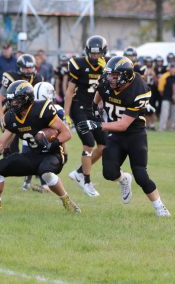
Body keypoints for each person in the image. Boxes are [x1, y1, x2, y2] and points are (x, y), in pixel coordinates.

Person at [76, 56, 171, 217]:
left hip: (135, 134)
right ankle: (124, 179)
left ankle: (159, 206)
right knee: (109, 173)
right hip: (115, 135)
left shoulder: (139, 89)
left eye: (115, 76)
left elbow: (124, 124)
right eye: (110, 75)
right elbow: (98, 94)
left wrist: (98, 125)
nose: (110, 78)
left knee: (141, 175)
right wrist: (95, 109)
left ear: (126, 75)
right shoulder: (106, 81)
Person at [0, 80, 80, 213]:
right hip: (33, 155)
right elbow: (1, 144)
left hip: (53, 154)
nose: (12, 104)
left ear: (26, 99)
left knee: (45, 172)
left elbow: (66, 133)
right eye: (11, 100)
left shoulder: (42, 109)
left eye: (15, 100)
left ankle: (66, 200)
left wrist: (53, 143)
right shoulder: (12, 117)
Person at [64, 35, 108, 197]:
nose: (96, 56)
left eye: (98, 53)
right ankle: (87, 182)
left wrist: (106, 71)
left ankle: (79, 173)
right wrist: (66, 115)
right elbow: (69, 91)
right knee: (89, 143)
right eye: (93, 53)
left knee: (104, 146)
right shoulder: (79, 64)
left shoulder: (107, 65)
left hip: (93, 109)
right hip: (79, 107)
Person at [0, 54, 43, 159]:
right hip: (11, 112)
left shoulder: (38, 78)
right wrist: (2, 117)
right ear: (20, 68)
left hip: (27, 114)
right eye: (26, 68)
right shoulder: (12, 77)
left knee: (35, 141)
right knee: (11, 148)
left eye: (31, 67)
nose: (29, 70)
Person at [22, 82, 67, 192]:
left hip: (28, 145)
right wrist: (65, 152)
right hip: (46, 145)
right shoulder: (57, 109)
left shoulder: (26, 110)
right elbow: (62, 132)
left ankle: (27, 182)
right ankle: (46, 185)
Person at [158, 63, 175, 131]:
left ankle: (171, 128)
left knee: (174, 114)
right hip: (166, 97)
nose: (172, 69)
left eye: (173, 67)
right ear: (168, 68)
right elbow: (160, 89)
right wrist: (164, 95)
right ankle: (162, 127)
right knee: (164, 113)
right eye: (171, 68)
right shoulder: (164, 76)